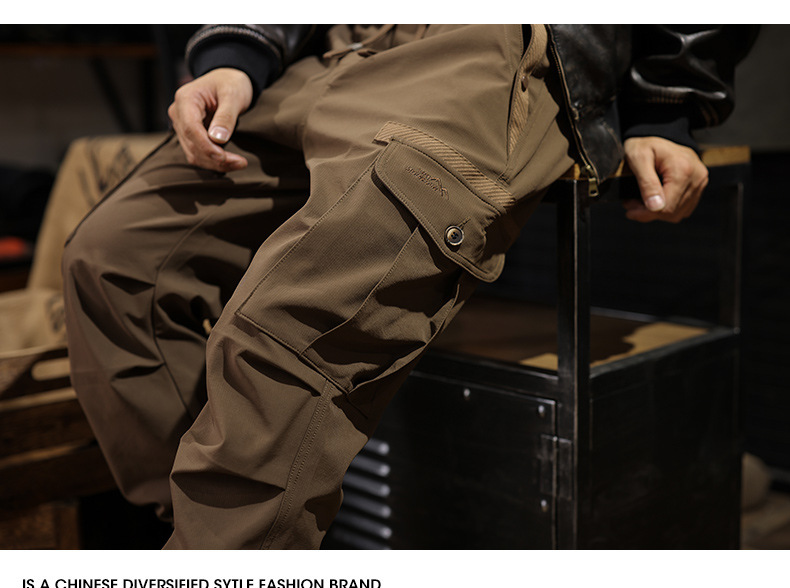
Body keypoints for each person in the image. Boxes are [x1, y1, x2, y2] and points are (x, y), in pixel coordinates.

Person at [61, 24, 757, 549]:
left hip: (486, 51)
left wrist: (667, 102)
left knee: (286, 335)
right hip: (330, 52)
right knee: (112, 266)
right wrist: (238, 54)